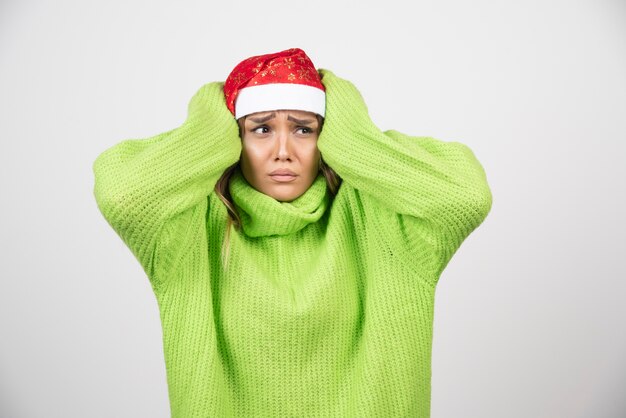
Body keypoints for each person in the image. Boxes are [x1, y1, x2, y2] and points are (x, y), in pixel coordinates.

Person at [93, 47, 492, 417]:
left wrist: (352, 133)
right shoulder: (188, 227)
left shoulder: (382, 218)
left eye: (303, 129)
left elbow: (467, 197)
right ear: (233, 138)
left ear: (329, 137)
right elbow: (124, 194)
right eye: (261, 130)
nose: (283, 150)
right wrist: (212, 119)